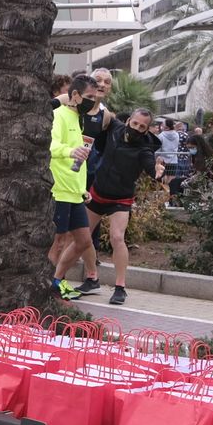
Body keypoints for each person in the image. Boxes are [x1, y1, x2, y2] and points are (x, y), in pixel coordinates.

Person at [88, 108, 166, 305]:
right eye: (135, 124)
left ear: (147, 130)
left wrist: (157, 171)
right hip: (97, 192)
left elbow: (150, 167)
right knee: (81, 236)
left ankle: (120, 287)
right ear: (129, 120)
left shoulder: (144, 149)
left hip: (121, 198)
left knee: (117, 237)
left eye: (142, 127)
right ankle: (89, 277)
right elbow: (97, 111)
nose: (137, 128)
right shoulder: (115, 127)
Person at [48, 74, 96, 300]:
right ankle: (47, 286)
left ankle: (56, 281)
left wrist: (82, 189)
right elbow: (51, 145)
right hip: (59, 190)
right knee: (57, 241)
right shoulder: (59, 115)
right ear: (74, 95)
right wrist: (69, 151)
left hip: (75, 193)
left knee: (84, 242)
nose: (92, 102)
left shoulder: (80, 120)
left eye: (95, 98)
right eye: (88, 97)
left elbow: (79, 162)